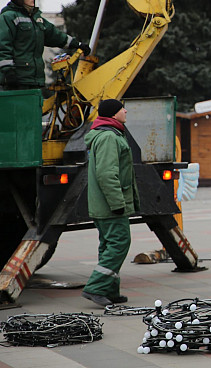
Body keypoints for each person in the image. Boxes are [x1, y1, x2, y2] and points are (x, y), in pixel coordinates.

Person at [82, 99, 139, 307]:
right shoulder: (108, 137)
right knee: (119, 243)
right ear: (114, 114)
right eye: (121, 108)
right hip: (110, 205)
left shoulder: (110, 133)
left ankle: (109, 290)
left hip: (102, 204)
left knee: (108, 245)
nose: (125, 110)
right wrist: (117, 203)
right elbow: (107, 174)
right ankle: (95, 288)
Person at [0, 0, 90, 90]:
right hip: (16, 81)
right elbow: (3, 46)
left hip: (34, 80)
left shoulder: (37, 19)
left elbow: (55, 35)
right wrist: (8, 72)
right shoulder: (8, 17)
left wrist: (78, 44)